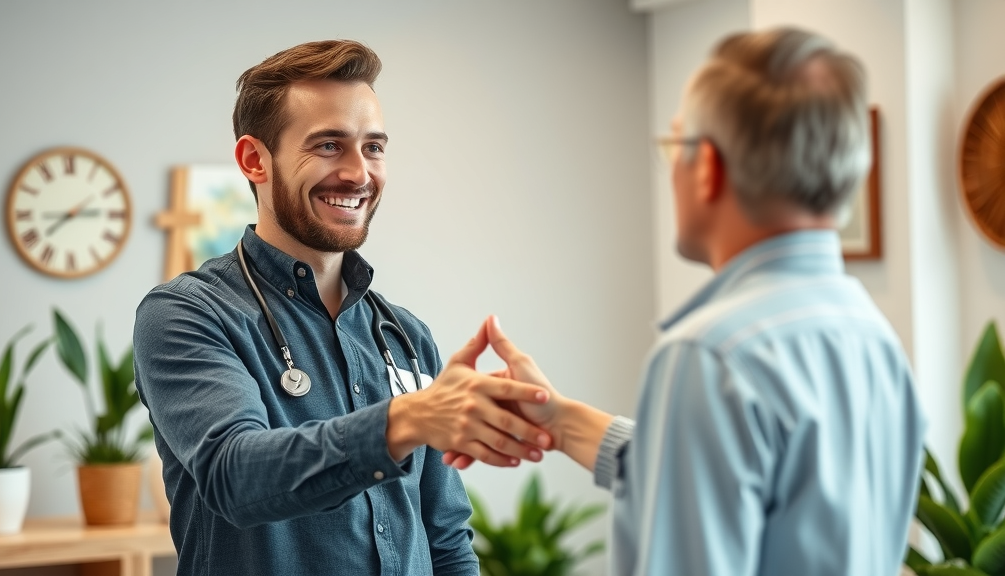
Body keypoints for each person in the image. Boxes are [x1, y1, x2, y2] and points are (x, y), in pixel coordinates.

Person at [445, 27, 927, 576]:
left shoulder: (708, 356)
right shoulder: (872, 334)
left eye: (675, 146)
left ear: (708, 169)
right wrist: (561, 420)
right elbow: (758, 496)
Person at [133, 40, 552, 576]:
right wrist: (406, 420)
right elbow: (234, 477)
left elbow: (444, 535)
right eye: (329, 145)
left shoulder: (404, 335)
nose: (359, 173)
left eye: (373, 147)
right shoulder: (190, 314)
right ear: (254, 160)